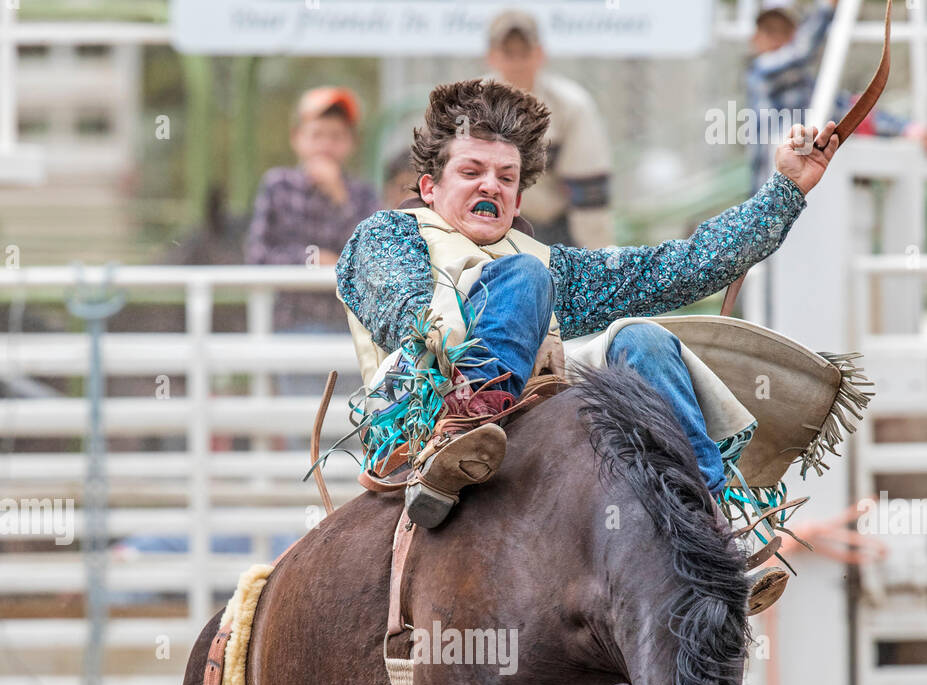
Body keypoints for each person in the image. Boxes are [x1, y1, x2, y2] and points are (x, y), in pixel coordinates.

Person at [336, 79, 838, 611]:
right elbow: (404, 312)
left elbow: (678, 267)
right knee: (524, 277)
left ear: (519, 197)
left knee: (642, 339)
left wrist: (785, 189)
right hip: (423, 409)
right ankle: (459, 434)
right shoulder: (390, 234)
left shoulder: (548, 263)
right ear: (430, 187)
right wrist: (490, 312)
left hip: (530, 407)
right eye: (471, 172)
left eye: (506, 178)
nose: (492, 186)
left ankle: (708, 524)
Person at [244, 86, 379, 401]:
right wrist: (313, 258)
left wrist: (339, 197)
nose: (326, 145)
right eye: (317, 134)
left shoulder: (362, 195)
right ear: (297, 138)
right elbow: (257, 254)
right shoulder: (277, 186)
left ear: (351, 143)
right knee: (302, 425)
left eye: (336, 136)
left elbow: (375, 255)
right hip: (293, 324)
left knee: (347, 424)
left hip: (352, 328)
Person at [748, 3, 927, 194]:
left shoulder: (796, 85)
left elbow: (846, 109)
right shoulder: (764, 72)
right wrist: (827, 7)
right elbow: (802, 51)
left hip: (777, 192)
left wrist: (906, 129)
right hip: (772, 190)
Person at [484, 8, 612, 248]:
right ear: (492, 56)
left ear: (540, 54)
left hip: (552, 228)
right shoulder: (471, 104)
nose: (517, 61)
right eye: (508, 52)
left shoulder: (571, 106)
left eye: (524, 52)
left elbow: (589, 191)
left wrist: (598, 259)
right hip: (483, 224)